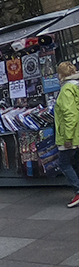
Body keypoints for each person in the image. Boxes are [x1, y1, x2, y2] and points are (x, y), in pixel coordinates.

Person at [52, 61, 79, 209]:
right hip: (77, 133)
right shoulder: (76, 87)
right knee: (75, 161)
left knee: (64, 163)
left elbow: (70, 115)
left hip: (69, 135)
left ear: (61, 75)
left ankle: (78, 190)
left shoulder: (66, 90)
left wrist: (67, 137)